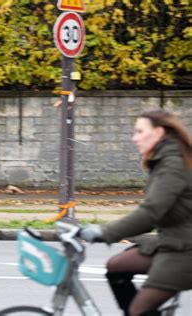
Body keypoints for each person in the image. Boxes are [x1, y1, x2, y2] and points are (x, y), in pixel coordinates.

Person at [80, 109, 192, 316]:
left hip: (185, 252)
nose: (134, 138)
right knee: (117, 266)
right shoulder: (165, 161)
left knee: (139, 310)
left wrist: (104, 232)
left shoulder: (172, 165)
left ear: (158, 133)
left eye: (140, 131)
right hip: (174, 243)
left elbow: (150, 214)